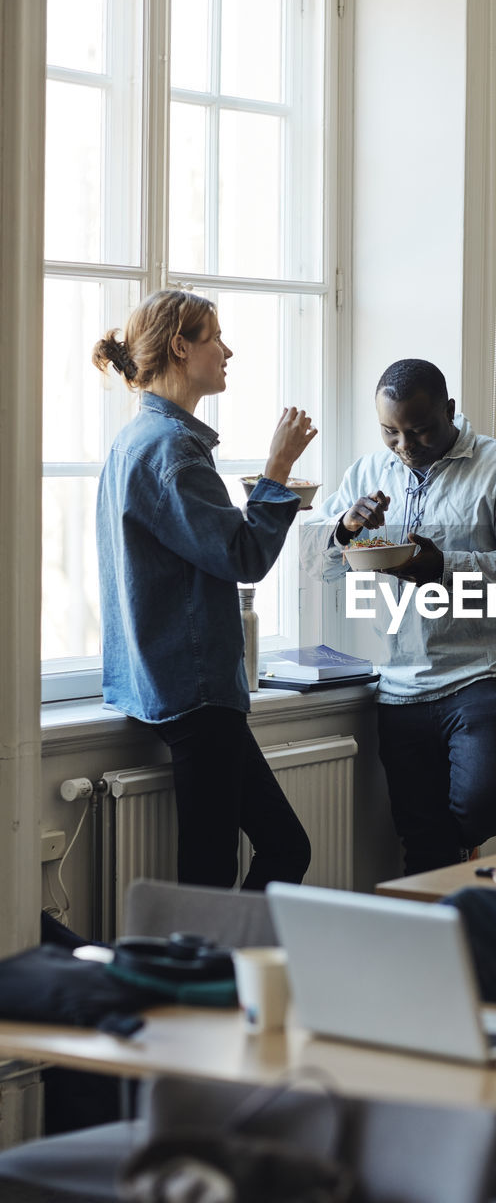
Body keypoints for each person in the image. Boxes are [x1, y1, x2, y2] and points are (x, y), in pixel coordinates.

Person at [301, 358, 496, 875]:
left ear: (449, 410)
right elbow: (316, 566)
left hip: (483, 672)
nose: (404, 446)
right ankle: (446, 944)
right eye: (390, 432)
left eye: (419, 430)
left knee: (487, 802)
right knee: (421, 847)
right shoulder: (368, 473)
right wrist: (344, 529)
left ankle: (458, 870)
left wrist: (443, 564)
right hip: (397, 682)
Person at [93, 288, 317, 890]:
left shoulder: (135, 439)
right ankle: (211, 980)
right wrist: (277, 472)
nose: (228, 350)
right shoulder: (173, 451)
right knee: (217, 874)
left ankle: (224, 977)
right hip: (195, 692)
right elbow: (243, 557)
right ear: (179, 346)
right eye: (215, 337)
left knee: (272, 851)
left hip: (165, 684)